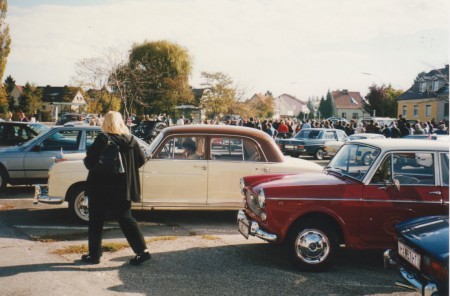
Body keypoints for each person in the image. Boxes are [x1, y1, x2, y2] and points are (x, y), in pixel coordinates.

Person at [82, 111, 150, 266]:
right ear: (121, 122)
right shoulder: (131, 140)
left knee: (96, 221)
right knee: (126, 219)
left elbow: (89, 162)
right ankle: (142, 251)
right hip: (123, 187)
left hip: (100, 186)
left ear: (105, 122)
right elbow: (141, 160)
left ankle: (94, 255)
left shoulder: (102, 139)